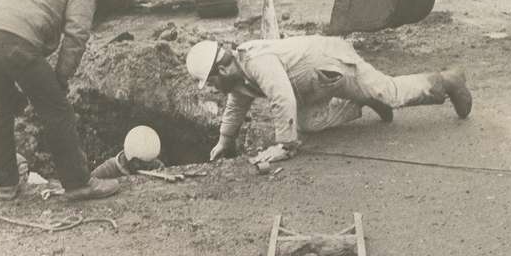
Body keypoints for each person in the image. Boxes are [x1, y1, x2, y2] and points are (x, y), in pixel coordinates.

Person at [185, 35, 472, 163]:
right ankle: (364, 101)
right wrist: (224, 141)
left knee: (390, 92)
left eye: (211, 80)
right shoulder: (237, 78)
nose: (213, 87)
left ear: (221, 69)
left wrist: (284, 145)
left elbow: (281, 98)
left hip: (334, 64)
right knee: (307, 123)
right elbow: (236, 105)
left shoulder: (256, 61)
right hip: (314, 86)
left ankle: (448, 81)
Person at [0, 0, 119, 201]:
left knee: (2, 110)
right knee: (58, 110)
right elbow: (76, 34)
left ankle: (6, 184)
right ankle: (78, 183)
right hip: (15, 39)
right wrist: (60, 78)